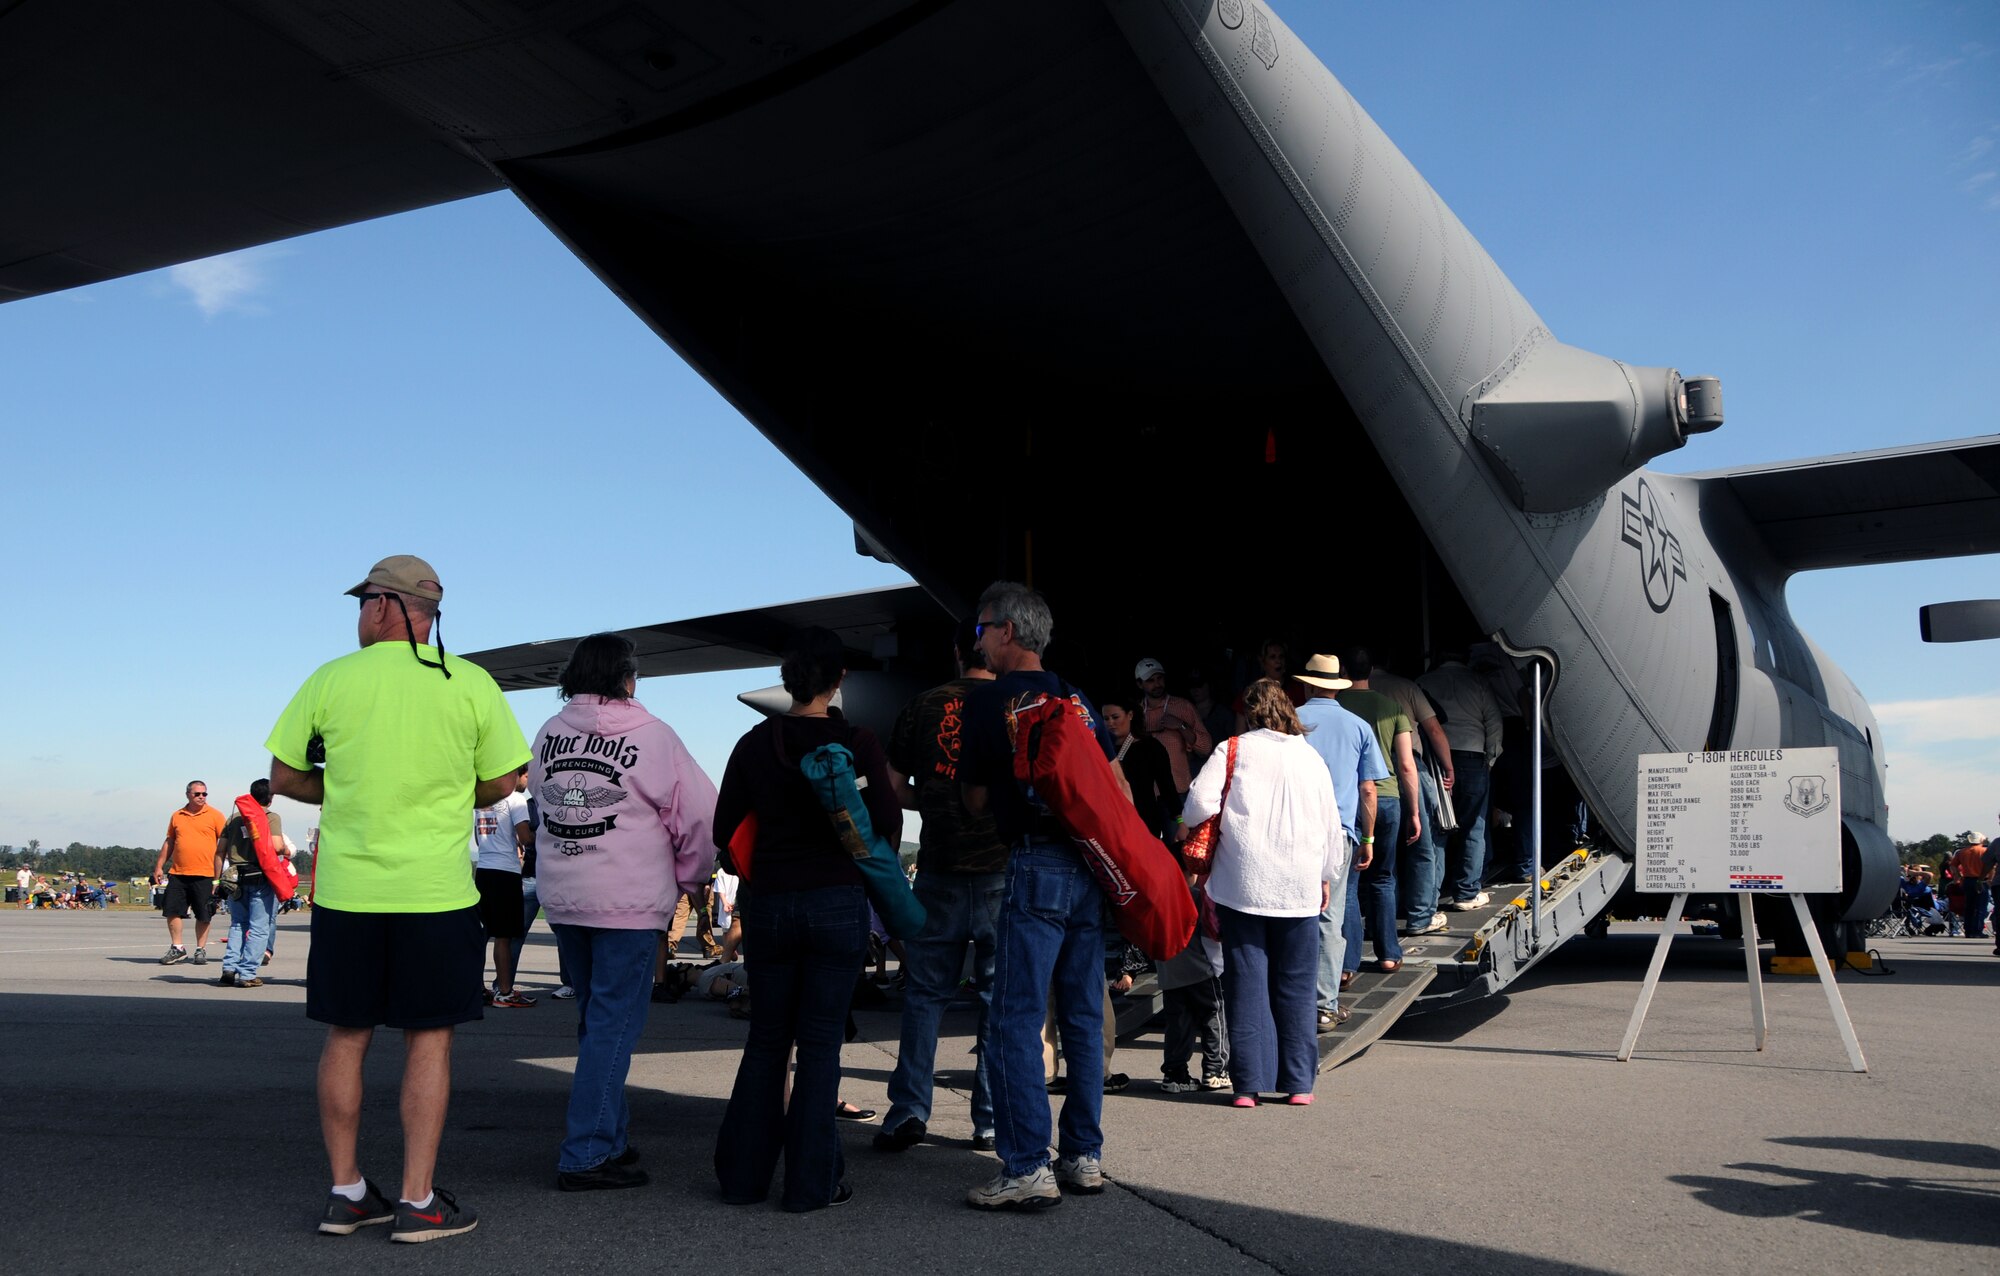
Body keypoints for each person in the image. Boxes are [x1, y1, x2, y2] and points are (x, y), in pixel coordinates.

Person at [268, 555, 530, 1243]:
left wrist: (348, 788)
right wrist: (450, 792)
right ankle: (417, 1200)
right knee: (429, 1039)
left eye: (362, 602)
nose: (358, 615)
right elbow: (505, 780)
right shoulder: (470, 682)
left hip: (350, 894)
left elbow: (286, 776)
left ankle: (348, 1191)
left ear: (384, 606)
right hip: (435, 894)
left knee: (347, 1035)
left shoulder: (330, 678)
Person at [712, 626, 896, 1212]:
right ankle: (811, 1184)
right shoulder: (859, 743)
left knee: (767, 1040)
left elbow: (723, 832)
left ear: (787, 681)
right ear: (839, 681)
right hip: (837, 903)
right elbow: (886, 826)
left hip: (768, 902)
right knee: (821, 1047)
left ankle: (742, 1179)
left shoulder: (753, 744)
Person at [958, 582, 1125, 1211]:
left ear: (1006, 631)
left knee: (1014, 1017)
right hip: (1090, 864)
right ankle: (1082, 1155)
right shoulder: (1077, 699)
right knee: (1083, 1015)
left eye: (982, 628)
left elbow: (974, 799)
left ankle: (1026, 1163)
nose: (979, 639)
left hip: (1034, 863)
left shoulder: (990, 700)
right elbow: (1116, 788)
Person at [531, 633, 716, 1191]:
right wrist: (691, 878)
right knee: (614, 1028)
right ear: (628, 678)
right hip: (629, 903)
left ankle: (608, 1136)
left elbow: (543, 800)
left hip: (565, 897)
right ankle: (585, 1152)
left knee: (595, 1020)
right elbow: (701, 816)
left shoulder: (548, 734)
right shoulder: (655, 737)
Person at [877, 619, 1008, 1154]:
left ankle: (909, 1109)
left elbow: (891, 784)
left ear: (956, 654)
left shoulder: (924, 705)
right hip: (1002, 869)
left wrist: (929, 800)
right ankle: (990, 1118)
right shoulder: (1011, 703)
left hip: (939, 867)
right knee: (997, 1000)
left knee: (927, 995)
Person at [1183, 679, 1342, 1105]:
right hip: (1299, 885)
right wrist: (1326, 873)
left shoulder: (1232, 749)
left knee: (1246, 984)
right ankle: (1298, 1085)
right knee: (1296, 985)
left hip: (1244, 884)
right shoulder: (1310, 758)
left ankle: (1248, 1086)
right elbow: (1331, 824)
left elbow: (1198, 803)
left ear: (1250, 713)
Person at [1293, 654, 1387, 1029]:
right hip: (1339, 832)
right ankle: (1324, 1004)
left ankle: (1291, 998)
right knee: (1330, 918)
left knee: (1291, 913)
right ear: (1337, 686)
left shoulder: (1291, 722)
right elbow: (1368, 788)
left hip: (1293, 830)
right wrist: (1368, 836)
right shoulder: (1358, 726)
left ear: (1307, 684)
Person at [1335, 651, 1420, 974]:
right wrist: (1413, 811)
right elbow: (1407, 765)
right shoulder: (1391, 708)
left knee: (1350, 884)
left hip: (1352, 800)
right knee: (1384, 878)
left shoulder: (1338, 707)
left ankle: (1347, 962)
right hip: (1388, 799)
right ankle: (1388, 954)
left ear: (1343, 671)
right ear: (1371, 670)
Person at [1361, 655, 1452, 938]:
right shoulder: (1405, 688)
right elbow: (1432, 729)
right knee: (1422, 845)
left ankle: (1380, 919)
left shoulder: (1346, 695)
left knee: (1380, 855)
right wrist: (1448, 766)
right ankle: (1420, 915)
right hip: (1404, 767)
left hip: (1367, 774)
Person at [1419, 651, 1506, 911]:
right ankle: (1466, 892)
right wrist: (1490, 760)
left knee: (1438, 829)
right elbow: (1494, 721)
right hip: (1472, 756)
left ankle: (1430, 897)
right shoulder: (1478, 682)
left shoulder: (1423, 681)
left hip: (1435, 759)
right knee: (1474, 827)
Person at [470, 767, 535, 1007]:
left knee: (483, 934)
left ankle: (477, 987)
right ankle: (505, 991)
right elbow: (526, 837)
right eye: (526, 777)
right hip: (505, 872)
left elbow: (478, 839)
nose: (527, 782)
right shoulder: (516, 799)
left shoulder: (483, 800)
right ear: (516, 775)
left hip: (484, 870)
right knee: (504, 937)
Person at [151, 781, 227, 965]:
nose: (201, 797)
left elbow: (224, 844)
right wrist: (159, 865)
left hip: (205, 873)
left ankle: (200, 949)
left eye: (204, 794)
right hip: (179, 872)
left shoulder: (215, 816)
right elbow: (169, 842)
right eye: (197, 794)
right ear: (188, 795)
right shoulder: (177, 815)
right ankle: (177, 948)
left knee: (204, 913)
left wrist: (220, 875)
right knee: (172, 910)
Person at [218, 778, 285, 988]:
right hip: (260, 876)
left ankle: (229, 967)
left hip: (235, 876)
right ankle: (247, 972)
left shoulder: (234, 818)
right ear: (270, 798)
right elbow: (275, 846)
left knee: (238, 923)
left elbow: (220, 850)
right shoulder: (271, 817)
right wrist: (286, 849)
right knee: (259, 927)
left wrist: (216, 879)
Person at [1133, 658, 1211, 824]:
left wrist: (1181, 726)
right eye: (1150, 681)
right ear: (1140, 684)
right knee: (1150, 846)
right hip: (1146, 795)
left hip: (1178, 792)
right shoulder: (1135, 713)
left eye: (1160, 678)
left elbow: (1205, 747)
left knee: (1179, 841)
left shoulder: (1182, 707)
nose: (1157, 684)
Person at [1102, 699, 1178, 841]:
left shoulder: (1151, 747)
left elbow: (1167, 786)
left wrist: (1180, 822)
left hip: (1144, 821)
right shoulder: (1100, 748)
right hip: (1111, 822)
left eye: (1115, 717)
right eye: (1106, 719)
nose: (1110, 723)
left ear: (1130, 715)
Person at [1952, 833, 1993, 940]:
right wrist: (1990, 879)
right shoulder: (1984, 851)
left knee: (1969, 906)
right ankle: (1977, 930)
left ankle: (1968, 930)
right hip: (1981, 880)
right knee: (1980, 907)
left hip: (1967, 880)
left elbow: (1953, 865)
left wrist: (1959, 877)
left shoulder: (1961, 852)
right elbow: (1991, 865)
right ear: (1981, 840)